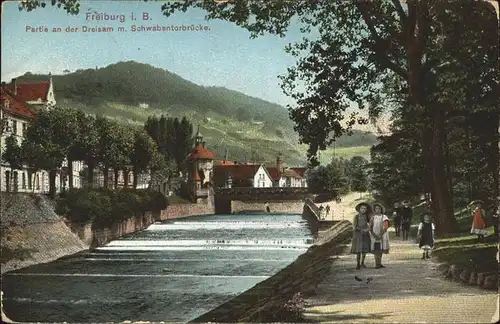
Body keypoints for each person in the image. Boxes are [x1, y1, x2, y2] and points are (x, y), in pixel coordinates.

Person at [350, 202, 372, 270]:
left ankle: (362, 262)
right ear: (359, 209)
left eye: (365, 209)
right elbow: (354, 226)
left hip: (365, 234)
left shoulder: (367, 216)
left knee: (364, 249)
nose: (363, 210)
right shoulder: (356, 216)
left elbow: (370, 223)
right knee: (358, 249)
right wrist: (360, 230)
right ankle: (358, 264)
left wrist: (368, 229)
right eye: (362, 208)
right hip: (358, 234)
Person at [369, 203, 390, 269]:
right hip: (374, 235)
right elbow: (370, 227)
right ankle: (376, 264)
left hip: (382, 235)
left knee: (380, 250)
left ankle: (379, 263)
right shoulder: (373, 218)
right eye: (376, 209)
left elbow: (386, 227)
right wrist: (374, 235)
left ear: (381, 209)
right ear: (374, 210)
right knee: (376, 249)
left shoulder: (384, 217)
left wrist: (380, 234)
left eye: (379, 208)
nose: (377, 210)